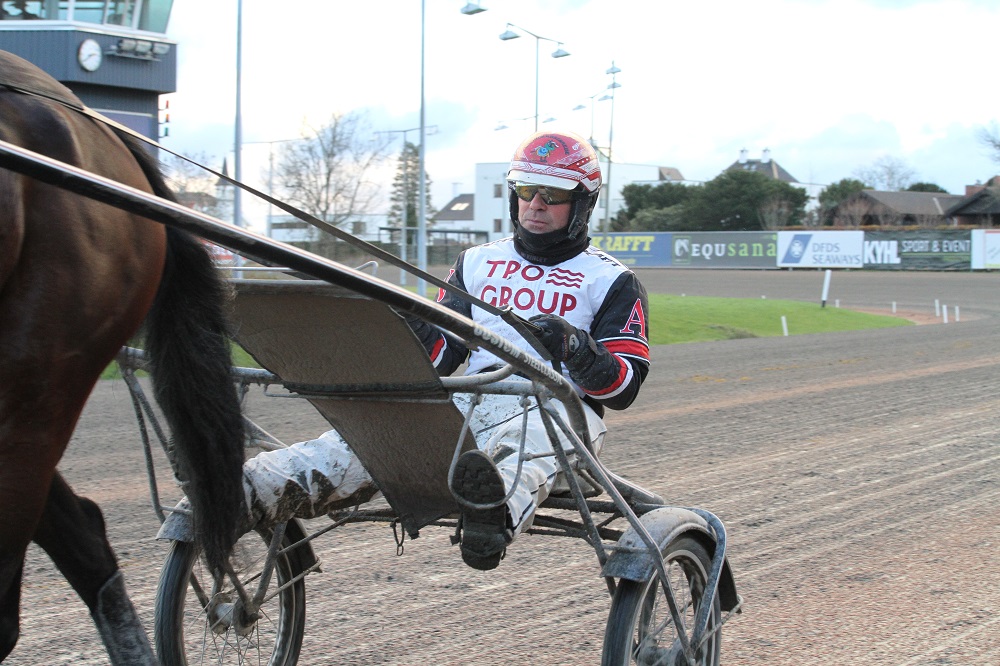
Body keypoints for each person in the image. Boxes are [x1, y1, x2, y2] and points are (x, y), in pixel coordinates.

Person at [239, 130, 650, 571]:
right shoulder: (476, 262)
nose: (535, 204)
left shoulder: (612, 280)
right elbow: (441, 358)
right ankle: (248, 489)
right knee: (364, 440)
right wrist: (406, 319)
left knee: (524, 446)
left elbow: (622, 389)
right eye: (526, 189)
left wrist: (576, 347)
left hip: (557, 411)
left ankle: (492, 514)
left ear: (583, 202)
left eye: (553, 194)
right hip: (470, 400)